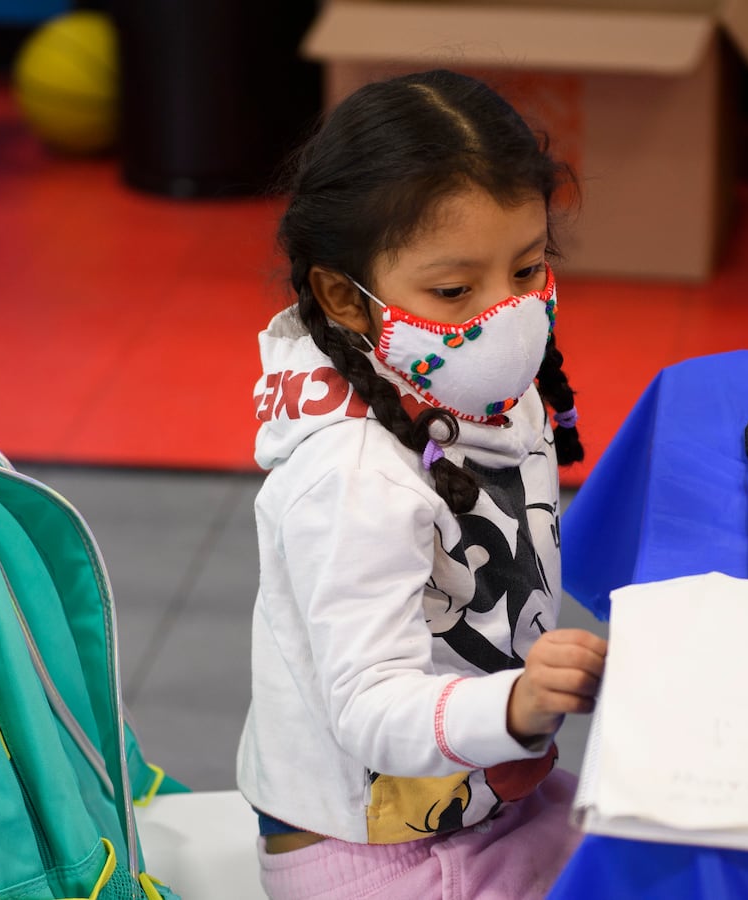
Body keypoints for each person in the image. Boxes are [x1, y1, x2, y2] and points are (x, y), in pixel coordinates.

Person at [237, 69, 609, 899]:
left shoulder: (483, 388)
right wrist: (515, 705)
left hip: (486, 800)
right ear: (345, 297)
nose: (507, 316)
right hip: (373, 854)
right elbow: (368, 706)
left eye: (527, 270)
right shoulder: (354, 477)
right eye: (454, 291)